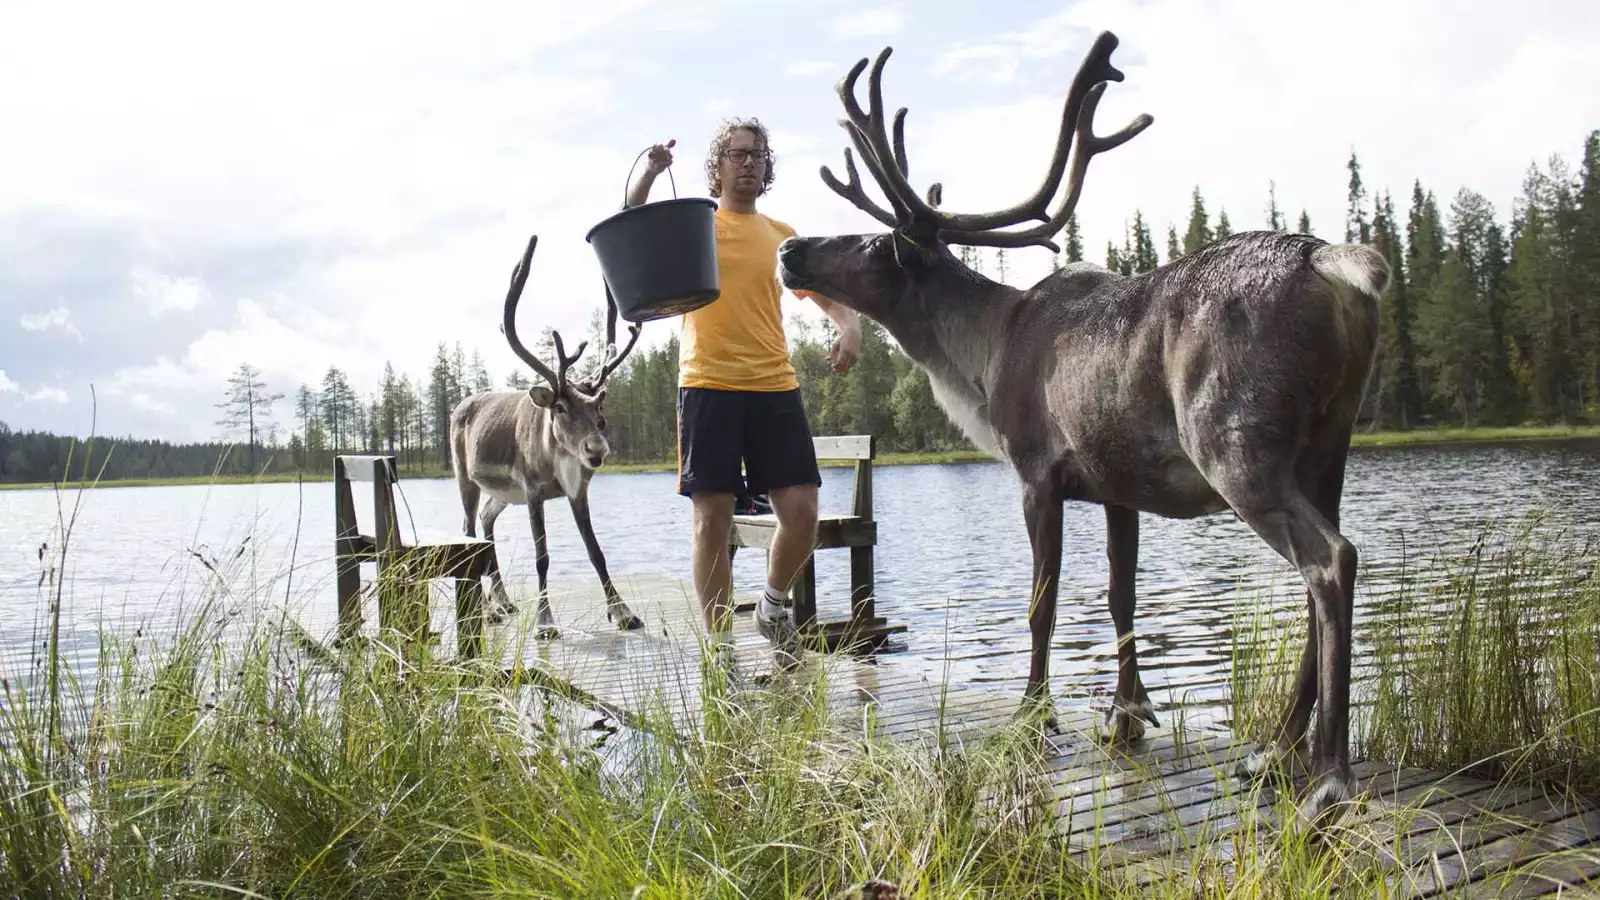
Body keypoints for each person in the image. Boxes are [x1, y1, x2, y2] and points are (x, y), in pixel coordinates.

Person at [624, 118, 861, 673]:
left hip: (774, 385)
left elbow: (826, 293)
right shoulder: (697, 225)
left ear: (767, 165)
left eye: (756, 155)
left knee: (802, 511)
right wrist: (651, 175)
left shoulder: (781, 235)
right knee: (712, 519)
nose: (748, 163)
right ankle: (719, 650)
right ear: (719, 166)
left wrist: (849, 327)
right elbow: (634, 224)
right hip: (707, 384)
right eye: (737, 154)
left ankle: (774, 608)